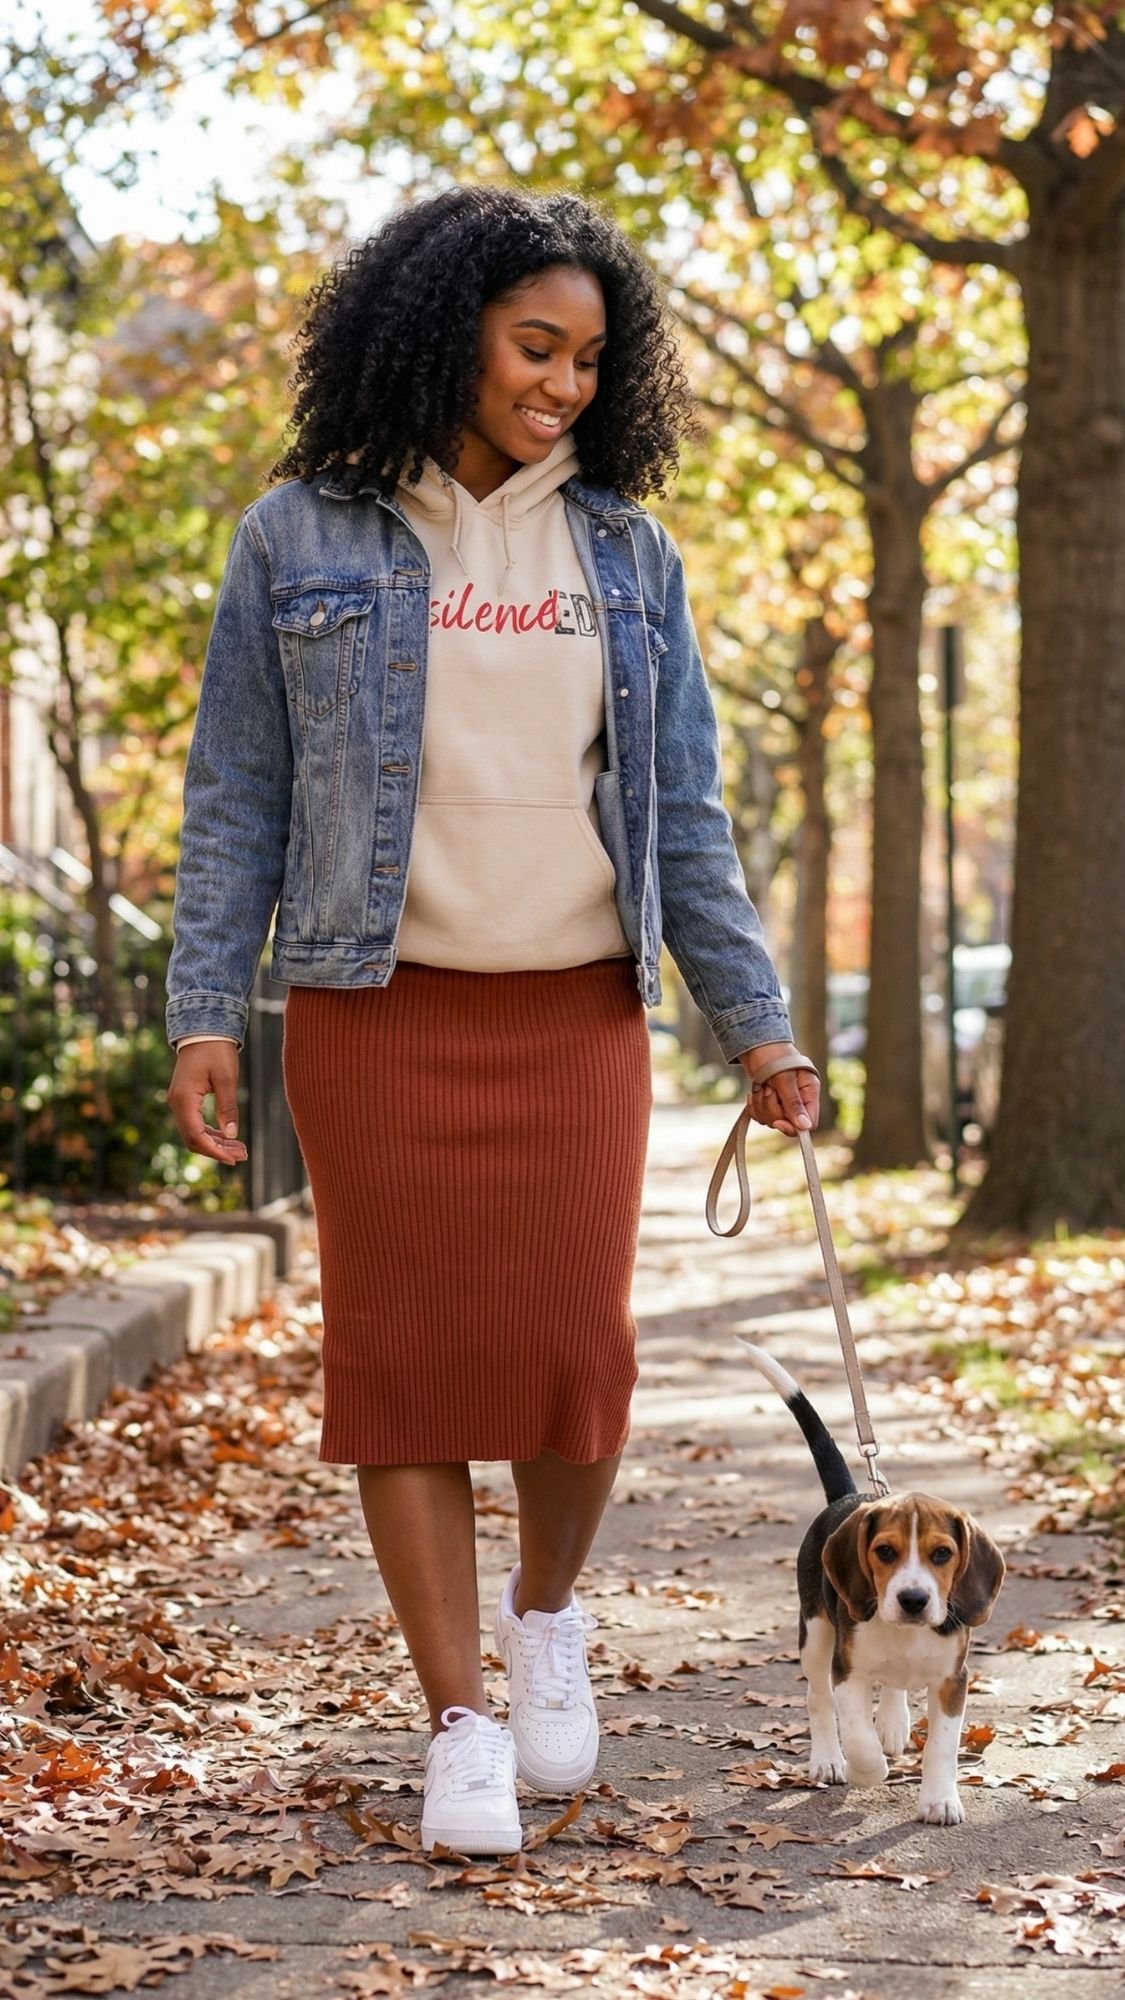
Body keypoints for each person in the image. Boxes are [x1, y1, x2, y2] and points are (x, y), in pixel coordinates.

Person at [165, 184, 819, 1857]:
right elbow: (236, 791)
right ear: (446, 329)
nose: (565, 385)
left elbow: (684, 819)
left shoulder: (622, 549)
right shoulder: (296, 536)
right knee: (404, 1374)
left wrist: (758, 1028)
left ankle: (543, 1624)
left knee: (566, 1366)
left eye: (593, 360)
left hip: (574, 1014)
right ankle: (456, 1718)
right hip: (374, 1014)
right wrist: (203, 1012)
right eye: (538, 347)